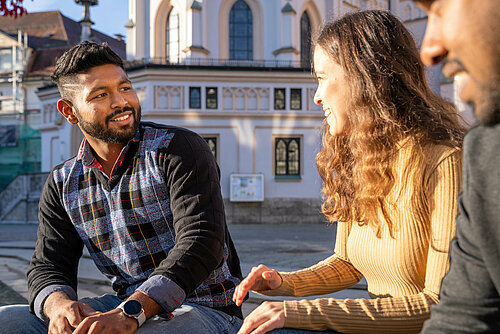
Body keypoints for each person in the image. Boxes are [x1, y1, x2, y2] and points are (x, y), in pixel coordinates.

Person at [233, 10, 466, 334]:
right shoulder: (360, 159)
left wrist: (301, 312)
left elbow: (439, 304)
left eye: (322, 77)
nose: (316, 96)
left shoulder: (443, 163)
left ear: (363, 78)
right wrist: (283, 283)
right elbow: (347, 263)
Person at [0, 41, 244, 334]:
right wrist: (59, 306)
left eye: (125, 87)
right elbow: (48, 265)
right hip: (121, 303)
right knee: (9, 320)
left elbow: (201, 241)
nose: (121, 102)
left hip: (205, 309)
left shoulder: (179, 149)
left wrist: (132, 312)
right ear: (69, 111)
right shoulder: (62, 182)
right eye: (101, 95)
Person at [414, 1, 500, 332]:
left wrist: (307, 312)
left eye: (440, 5)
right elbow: (461, 317)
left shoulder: (450, 158)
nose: (430, 49)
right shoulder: (487, 152)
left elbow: (431, 300)